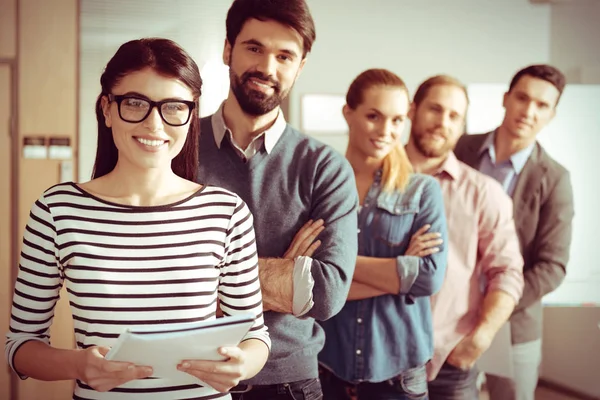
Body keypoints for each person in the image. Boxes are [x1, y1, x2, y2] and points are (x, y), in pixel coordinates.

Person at [5, 38, 270, 400]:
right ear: (107, 109)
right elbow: (20, 346)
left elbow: (255, 336)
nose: (154, 123)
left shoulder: (227, 212)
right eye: (135, 103)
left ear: (190, 115)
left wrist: (243, 364)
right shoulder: (57, 209)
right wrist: (79, 365)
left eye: (174, 107)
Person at [197, 0, 359, 398]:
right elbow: (149, 270)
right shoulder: (177, 148)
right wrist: (284, 272)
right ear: (227, 49)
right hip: (189, 374)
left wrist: (204, 277)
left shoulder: (326, 167)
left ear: (300, 66)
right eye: (254, 48)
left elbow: (325, 292)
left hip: (288, 383)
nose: (267, 68)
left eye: (284, 55)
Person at [317, 69, 448, 400]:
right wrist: (398, 269)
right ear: (348, 113)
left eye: (397, 120)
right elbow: (310, 283)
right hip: (327, 369)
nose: (386, 131)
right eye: (374, 116)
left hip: (399, 376)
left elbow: (429, 278)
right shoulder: (318, 186)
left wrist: (336, 268)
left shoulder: (422, 191)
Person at [453, 64, 574, 400]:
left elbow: (553, 266)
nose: (529, 111)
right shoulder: (460, 148)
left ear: (551, 114)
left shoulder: (555, 179)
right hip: (447, 315)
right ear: (506, 99)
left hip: (512, 324)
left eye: (542, 105)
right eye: (522, 98)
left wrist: (496, 305)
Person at [403, 75, 525, 399]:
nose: (443, 122)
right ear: (412, 110)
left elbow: (508, 272)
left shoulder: (484, 193)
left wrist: (480, 339)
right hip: (377, 359)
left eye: (454, 116)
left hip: (450, 363)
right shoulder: (366, 180)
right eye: (435, 109)